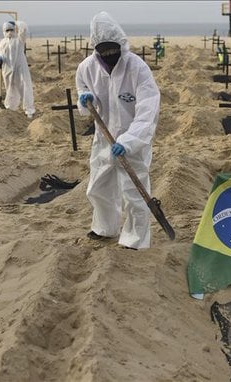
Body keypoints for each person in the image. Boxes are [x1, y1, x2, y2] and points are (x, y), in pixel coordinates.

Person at [75, 11, 161, 250]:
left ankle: (135, 239)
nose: (110, 56)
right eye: (104, 52)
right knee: (98, 186)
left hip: (133, 139)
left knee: (134, 191)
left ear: (121, 45)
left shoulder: (137, 68)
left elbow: (148, 110)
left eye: (114, 50)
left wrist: (131, 140)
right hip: (103, 138)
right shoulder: (86, 68)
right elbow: (81, 90)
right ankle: (105, 228)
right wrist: (84, 100)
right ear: (96, 48)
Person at [0, 20, 35, 118]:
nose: (9, 32)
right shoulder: (2, 42)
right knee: (10, 88)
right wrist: (0, 57)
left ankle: (28, 110)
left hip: (20, 68)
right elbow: (2, 53)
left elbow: (24, 29)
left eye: (11, 29)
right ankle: (10, 107)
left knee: (24, 87)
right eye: (7, 30)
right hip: (7, 69)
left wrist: (17, 23)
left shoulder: (19, 40)